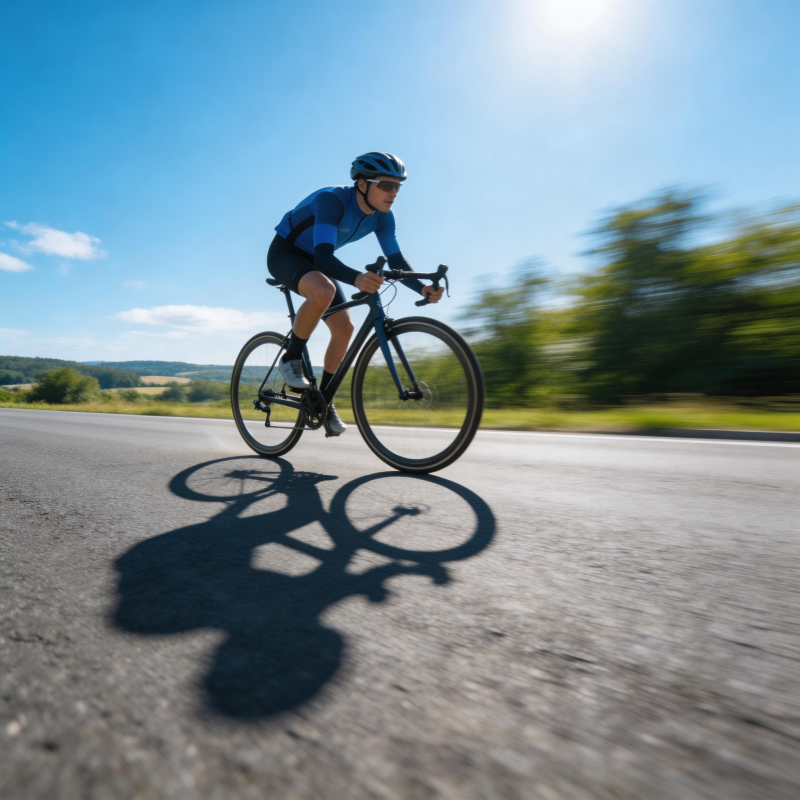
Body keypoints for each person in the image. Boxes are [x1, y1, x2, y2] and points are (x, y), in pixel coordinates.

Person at [267, 151, 444, 436]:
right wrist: (357, 278)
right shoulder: (332, 200)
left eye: (397, 187)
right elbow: (324, 259)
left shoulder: (383, 218)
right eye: (386, 185)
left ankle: (324, 401)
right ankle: (292, 357)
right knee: (324, 290)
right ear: (363, 185)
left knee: (345, 327)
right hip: (286, 253)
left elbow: (397, 261)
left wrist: (422, 287)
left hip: (317, 259)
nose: (393, 193)